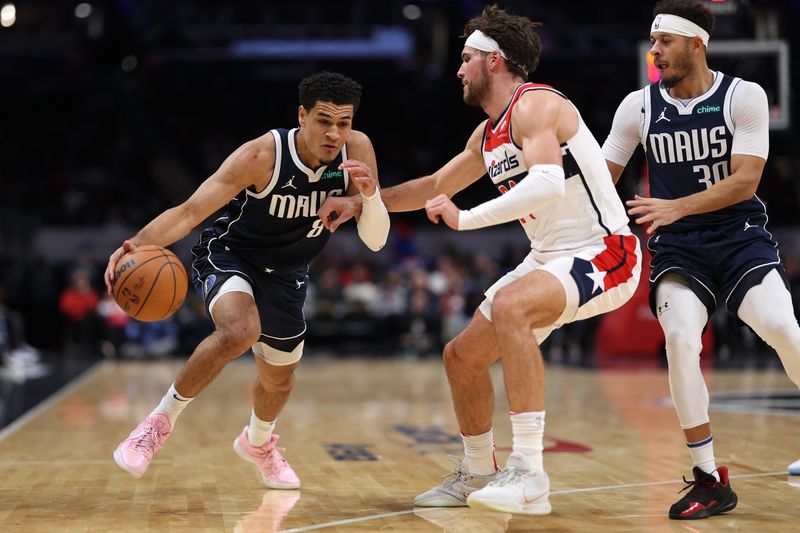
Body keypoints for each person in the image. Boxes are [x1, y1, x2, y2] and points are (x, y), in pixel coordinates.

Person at [319, 5, 641, 515]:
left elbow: (546, 182)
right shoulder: (487, 133)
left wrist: (464, 220)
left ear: (495, 61)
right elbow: (432, 186)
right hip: (550, 257)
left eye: (466, 58)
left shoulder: (538, 105)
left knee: (512, 306)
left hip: (606, 251)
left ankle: (530, 473)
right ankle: (477, 472)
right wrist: (365, 201)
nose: (458, 69)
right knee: (461, 357)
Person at [104, 71, 389, 488]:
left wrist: (366, 197)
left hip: (289, 272)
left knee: (280, 379)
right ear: (302, 116)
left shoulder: (357, 150)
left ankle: (257, 443)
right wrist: (134, 245)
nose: (334, 133)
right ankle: (156, 425)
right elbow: (188, 212)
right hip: (231, 254)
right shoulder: (262, 155)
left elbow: (376, 240)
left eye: (343, 123)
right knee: (240, 330)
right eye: (323, 121)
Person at [602, 0, 800, 520]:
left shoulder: (743, 96)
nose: (655, 51)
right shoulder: (638, 107)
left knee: (784, 328)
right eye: (652, 41)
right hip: (679, 248)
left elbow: (746, 180)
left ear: (696, 43)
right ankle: (709, 478)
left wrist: (675, 205)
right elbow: (602, 176)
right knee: (680, 338)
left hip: (739, 238)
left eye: (664, 41)